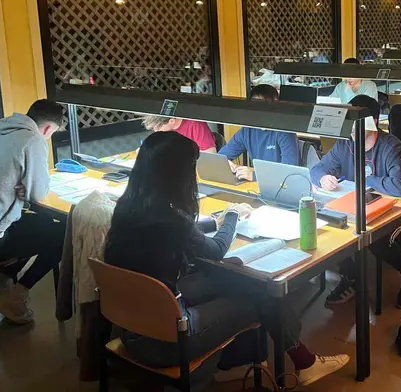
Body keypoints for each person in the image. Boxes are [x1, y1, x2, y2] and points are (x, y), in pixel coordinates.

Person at [103, 131, 349, 387]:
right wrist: (232, 214)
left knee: (233, 281)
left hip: (132, 329)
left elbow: (184, 234)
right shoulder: (172, 221)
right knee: (259, 293)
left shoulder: (128, 208)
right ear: (177, 174)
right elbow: (216, 249)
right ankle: (302, 362)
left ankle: (236, 364)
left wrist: (213, 222)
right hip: (168, 342)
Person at [0, 99, 66, 324]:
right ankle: (18, 293)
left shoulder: (2, 131)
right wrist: (29, 188)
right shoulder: (33, 139)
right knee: (64, 234)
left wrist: (27, 187)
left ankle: (2, 283)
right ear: (48, 128)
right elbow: (38, 193)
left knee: (42, 225)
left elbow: (27, 189)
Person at [310, 95, 401, 308]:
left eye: (356, 122)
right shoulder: (345, 144)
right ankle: (351, 276)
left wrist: (365, 179)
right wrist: (322, 178)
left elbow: (400, 187)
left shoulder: (390, 146)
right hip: (354, 207)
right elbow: (317, 169)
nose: (351, 128)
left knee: (377, 240)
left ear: (374, 121)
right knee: (332, 230)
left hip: (390, 210)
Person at [218, 85, 299, 181]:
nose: (259, 109)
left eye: (263, 105)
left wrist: (255, 176)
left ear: (274, 106)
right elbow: (220, 157)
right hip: (257, 185)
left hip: (279, 186)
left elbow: (289, 172)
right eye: (255, 105)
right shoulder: (247, 131)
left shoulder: (284, 132)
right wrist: (227, 164)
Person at [143, 115, 216, 153]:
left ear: (172, 121)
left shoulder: (195, 124)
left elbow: (210, 154)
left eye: (157, 127)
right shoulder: (165, 131)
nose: (155, 131)